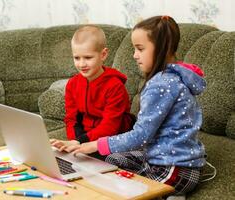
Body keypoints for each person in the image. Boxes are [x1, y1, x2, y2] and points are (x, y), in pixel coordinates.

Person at [70, 16, 207, 199]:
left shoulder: (162, 84)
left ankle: (170, 194)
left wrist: (95, 144)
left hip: (176, 168)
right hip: (157, 156)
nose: (135, 55)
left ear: (161, 49)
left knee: (117, 187)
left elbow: (141, 136)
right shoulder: (171, 75)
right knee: (110, 161)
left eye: (140, 49)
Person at [50, 25, 134, 156]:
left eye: (88, 58)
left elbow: (110, 127)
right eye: (77, 58)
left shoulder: (115, 86)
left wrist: (81, 142)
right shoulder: (72, 84)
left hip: (110, 141)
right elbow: (71, 119)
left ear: (103, 55)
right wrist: (74, 141)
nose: (82, 64)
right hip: (84, 140)